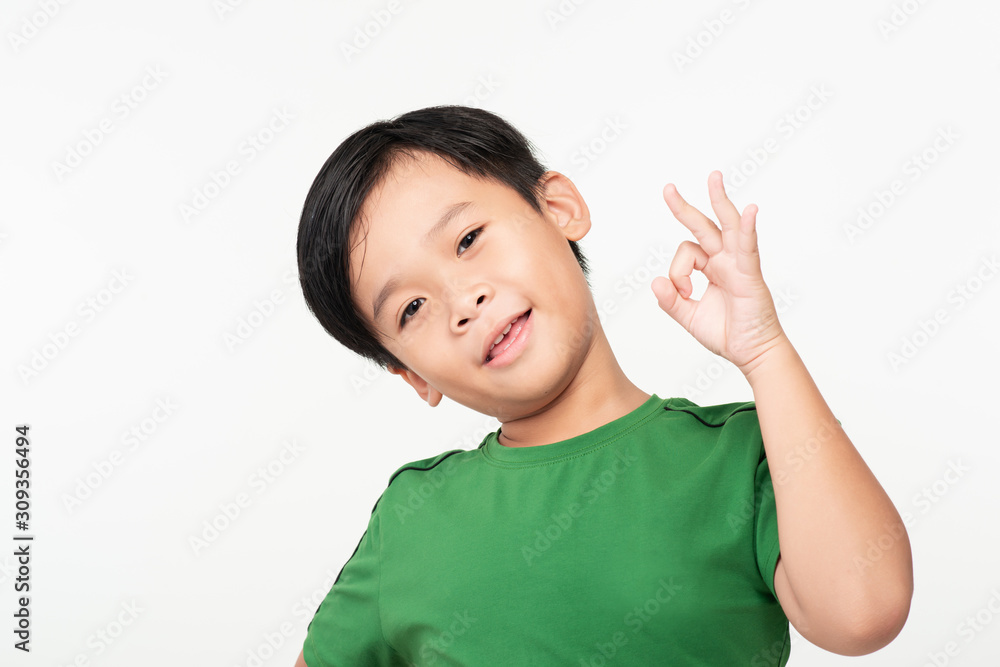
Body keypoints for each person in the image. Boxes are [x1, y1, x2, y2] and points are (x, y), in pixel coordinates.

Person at [292, 105, 913, 666]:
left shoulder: (744, 455)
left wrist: (765, 352)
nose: (463, 302)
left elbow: (861, 614)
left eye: (468, 240)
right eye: (410, 309)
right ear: (412, 375)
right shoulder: (411, 519)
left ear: (558, 208)